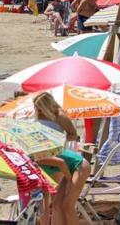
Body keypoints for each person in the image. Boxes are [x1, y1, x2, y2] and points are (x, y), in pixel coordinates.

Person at [33, 92, 90, 225]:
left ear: (47, 105)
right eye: (36, 107)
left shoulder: (60, 116)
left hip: (72, 163)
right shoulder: (37, 116)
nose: (38, 110)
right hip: (60, 161)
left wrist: (57, 141)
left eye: (40, 106)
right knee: (57, 204)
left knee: (67, 205)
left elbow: (73, 135)